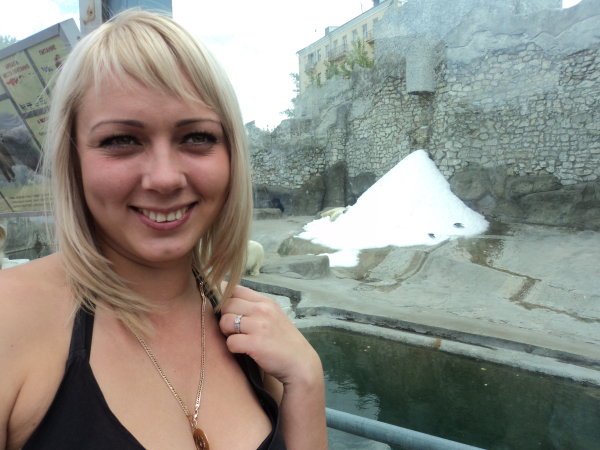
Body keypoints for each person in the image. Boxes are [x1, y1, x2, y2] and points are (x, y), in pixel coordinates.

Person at [0, 9, 327, 450]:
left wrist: (307, 381)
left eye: (197, 137)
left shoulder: (255, 334)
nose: (165, 178)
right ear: (73, 160)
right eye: (121, 140)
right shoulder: (9, 318)